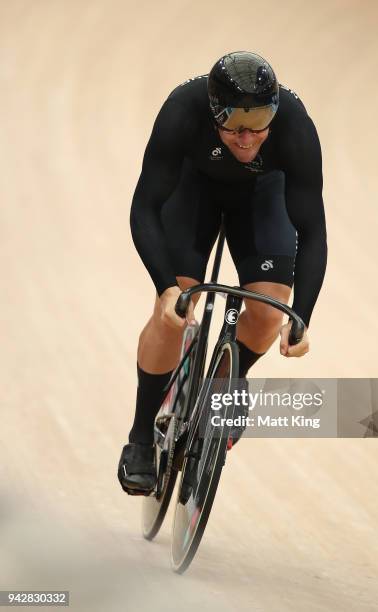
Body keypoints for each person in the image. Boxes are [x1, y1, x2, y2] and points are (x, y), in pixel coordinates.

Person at [118, 51, 327, 495]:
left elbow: (313, 232)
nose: (248, 137)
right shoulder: (182, 110)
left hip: (261, 194)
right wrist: (165, 286)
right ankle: (139, 439)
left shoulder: (295, 128)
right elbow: (145, 207)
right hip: (195, 190)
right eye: (234, 124)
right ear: (213, 113)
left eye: (259, 122)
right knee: (176, 310)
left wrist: (302, 315)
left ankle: (228, 383)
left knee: (270, 314)